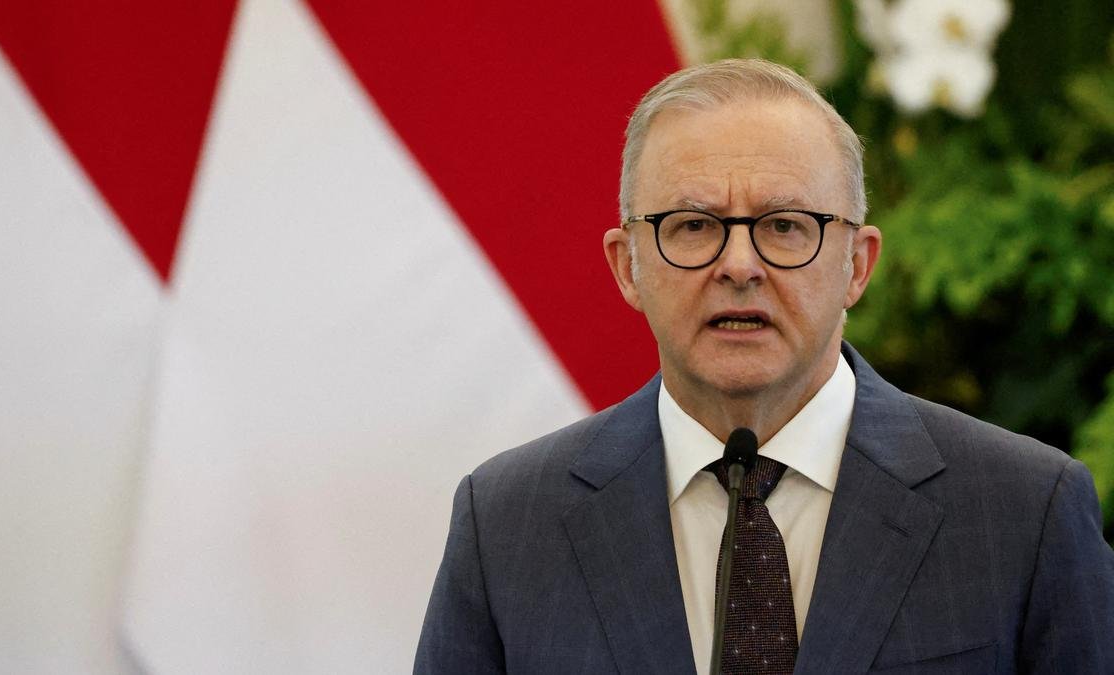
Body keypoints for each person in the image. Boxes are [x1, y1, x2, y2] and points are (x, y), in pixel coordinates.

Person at [414, 59, 1114, 674]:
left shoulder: (1025, 512)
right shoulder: (506, 524)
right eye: (694, 226)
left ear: (857, 265)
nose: (740, 266)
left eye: (784, 226)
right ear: (628, 267)